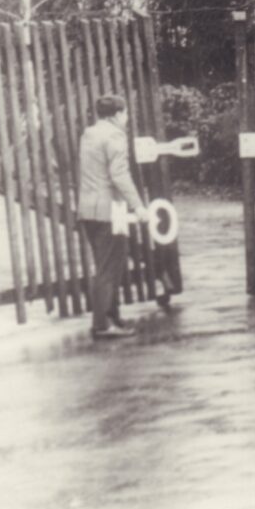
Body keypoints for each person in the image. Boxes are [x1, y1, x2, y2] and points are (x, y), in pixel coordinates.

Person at [77, 95, 148, 338]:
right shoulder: (116, 136)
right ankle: (102, 325)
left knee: (105, 266)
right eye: (126, 113)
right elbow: (119, 175)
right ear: (117, 114)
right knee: (111, 268)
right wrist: (138, 206)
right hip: (111, 210)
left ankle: (112, 317)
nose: (127, 118)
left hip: (88, 210)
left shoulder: (89, 134)